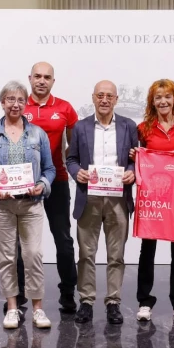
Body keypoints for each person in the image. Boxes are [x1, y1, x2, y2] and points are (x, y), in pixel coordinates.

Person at [0, 81, 55, 329]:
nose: (15, 104)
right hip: (1, 206)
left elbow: (49, 169)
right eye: (10, 99)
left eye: (20, 99)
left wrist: (42, 184)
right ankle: (11, 307)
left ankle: (38, 309)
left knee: (33, 255)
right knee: (7, 258)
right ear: (2, 103)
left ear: (25, 103)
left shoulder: (37, 134)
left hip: (31, 204)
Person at [66, 80, 138, 326]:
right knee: (86, 253)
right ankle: (86, 301)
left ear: (116, 99)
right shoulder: (80, 127)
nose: (105, 100)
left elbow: (136, 159)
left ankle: (113, 302)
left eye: (109, 96)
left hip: (119, 198)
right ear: (93, 98)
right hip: (90, 197)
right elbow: (71, 159)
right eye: (100, 95)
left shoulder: (129, 126)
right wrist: (77, 173)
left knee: (116, 255)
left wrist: (132, 172)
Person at [130, 79, 174, 323]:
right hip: (152, 199)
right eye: (158, 97)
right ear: (152, 102)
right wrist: (135, 156)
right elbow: (136, 161)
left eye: (167, 97)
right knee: (147, 250)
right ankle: (144, 301)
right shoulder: (143, 129)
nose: (163, 101)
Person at [16, 62, 79, 313]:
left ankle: (67, 294)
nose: (42, 81)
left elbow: (73, 147)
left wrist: (59, 161)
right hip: (22, 182)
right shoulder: (20, 105)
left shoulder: (65, 108)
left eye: (47, 77)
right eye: (38, 76)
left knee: (63, 239)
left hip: (57, 180)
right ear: (29, 78)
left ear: (53, 81)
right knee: (21, 243)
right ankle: (19, 297)